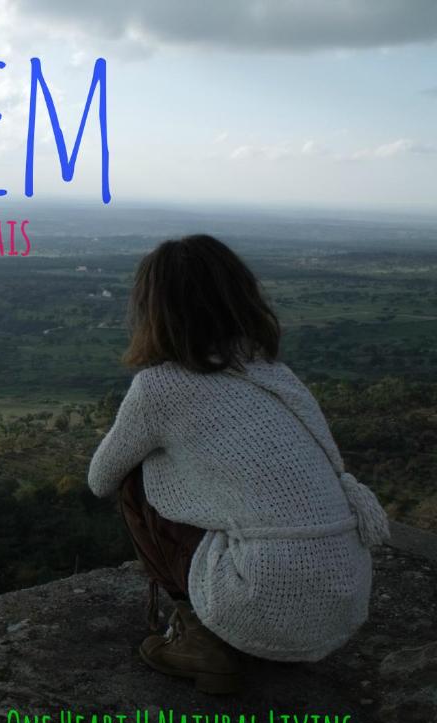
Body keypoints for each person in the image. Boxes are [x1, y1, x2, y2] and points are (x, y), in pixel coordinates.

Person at [87, 234, 389, 695]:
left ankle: (199, 638)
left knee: (134, 478)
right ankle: (231, 626)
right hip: (342, 602)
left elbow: (99, 478)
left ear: (155, 310)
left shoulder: (159, 387)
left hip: (262, 599)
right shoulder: (273, 373)